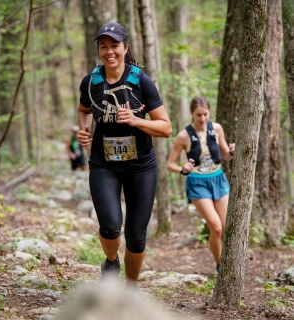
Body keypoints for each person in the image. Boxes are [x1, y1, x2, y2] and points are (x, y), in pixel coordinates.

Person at [76, 22, 172, 286]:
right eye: (104, 46)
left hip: (140, 167)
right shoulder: (91, 82)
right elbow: (84, 109)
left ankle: (129, 291)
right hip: (103, 164)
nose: (109, 51)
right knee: (109, 225)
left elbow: (166, 128)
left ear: (125, 48)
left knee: (136, 235)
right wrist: (84, 130)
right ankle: (111, 260)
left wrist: (136, 121)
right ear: (99, 50)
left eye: (115, 46)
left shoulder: (141, 81)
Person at [166, 96, 235, 273]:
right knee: (216, 227)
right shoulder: (183, 136)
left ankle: (226, 262)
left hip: (218, 178)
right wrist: (183, 169)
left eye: (205, 114)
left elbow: (226, 155)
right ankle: (220, 266)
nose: (203, 119)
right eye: (198, 115)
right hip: (197, 182)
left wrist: (233, 152)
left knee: (226, 226)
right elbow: (170, 163)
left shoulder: (217, 129)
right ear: (192, 114)